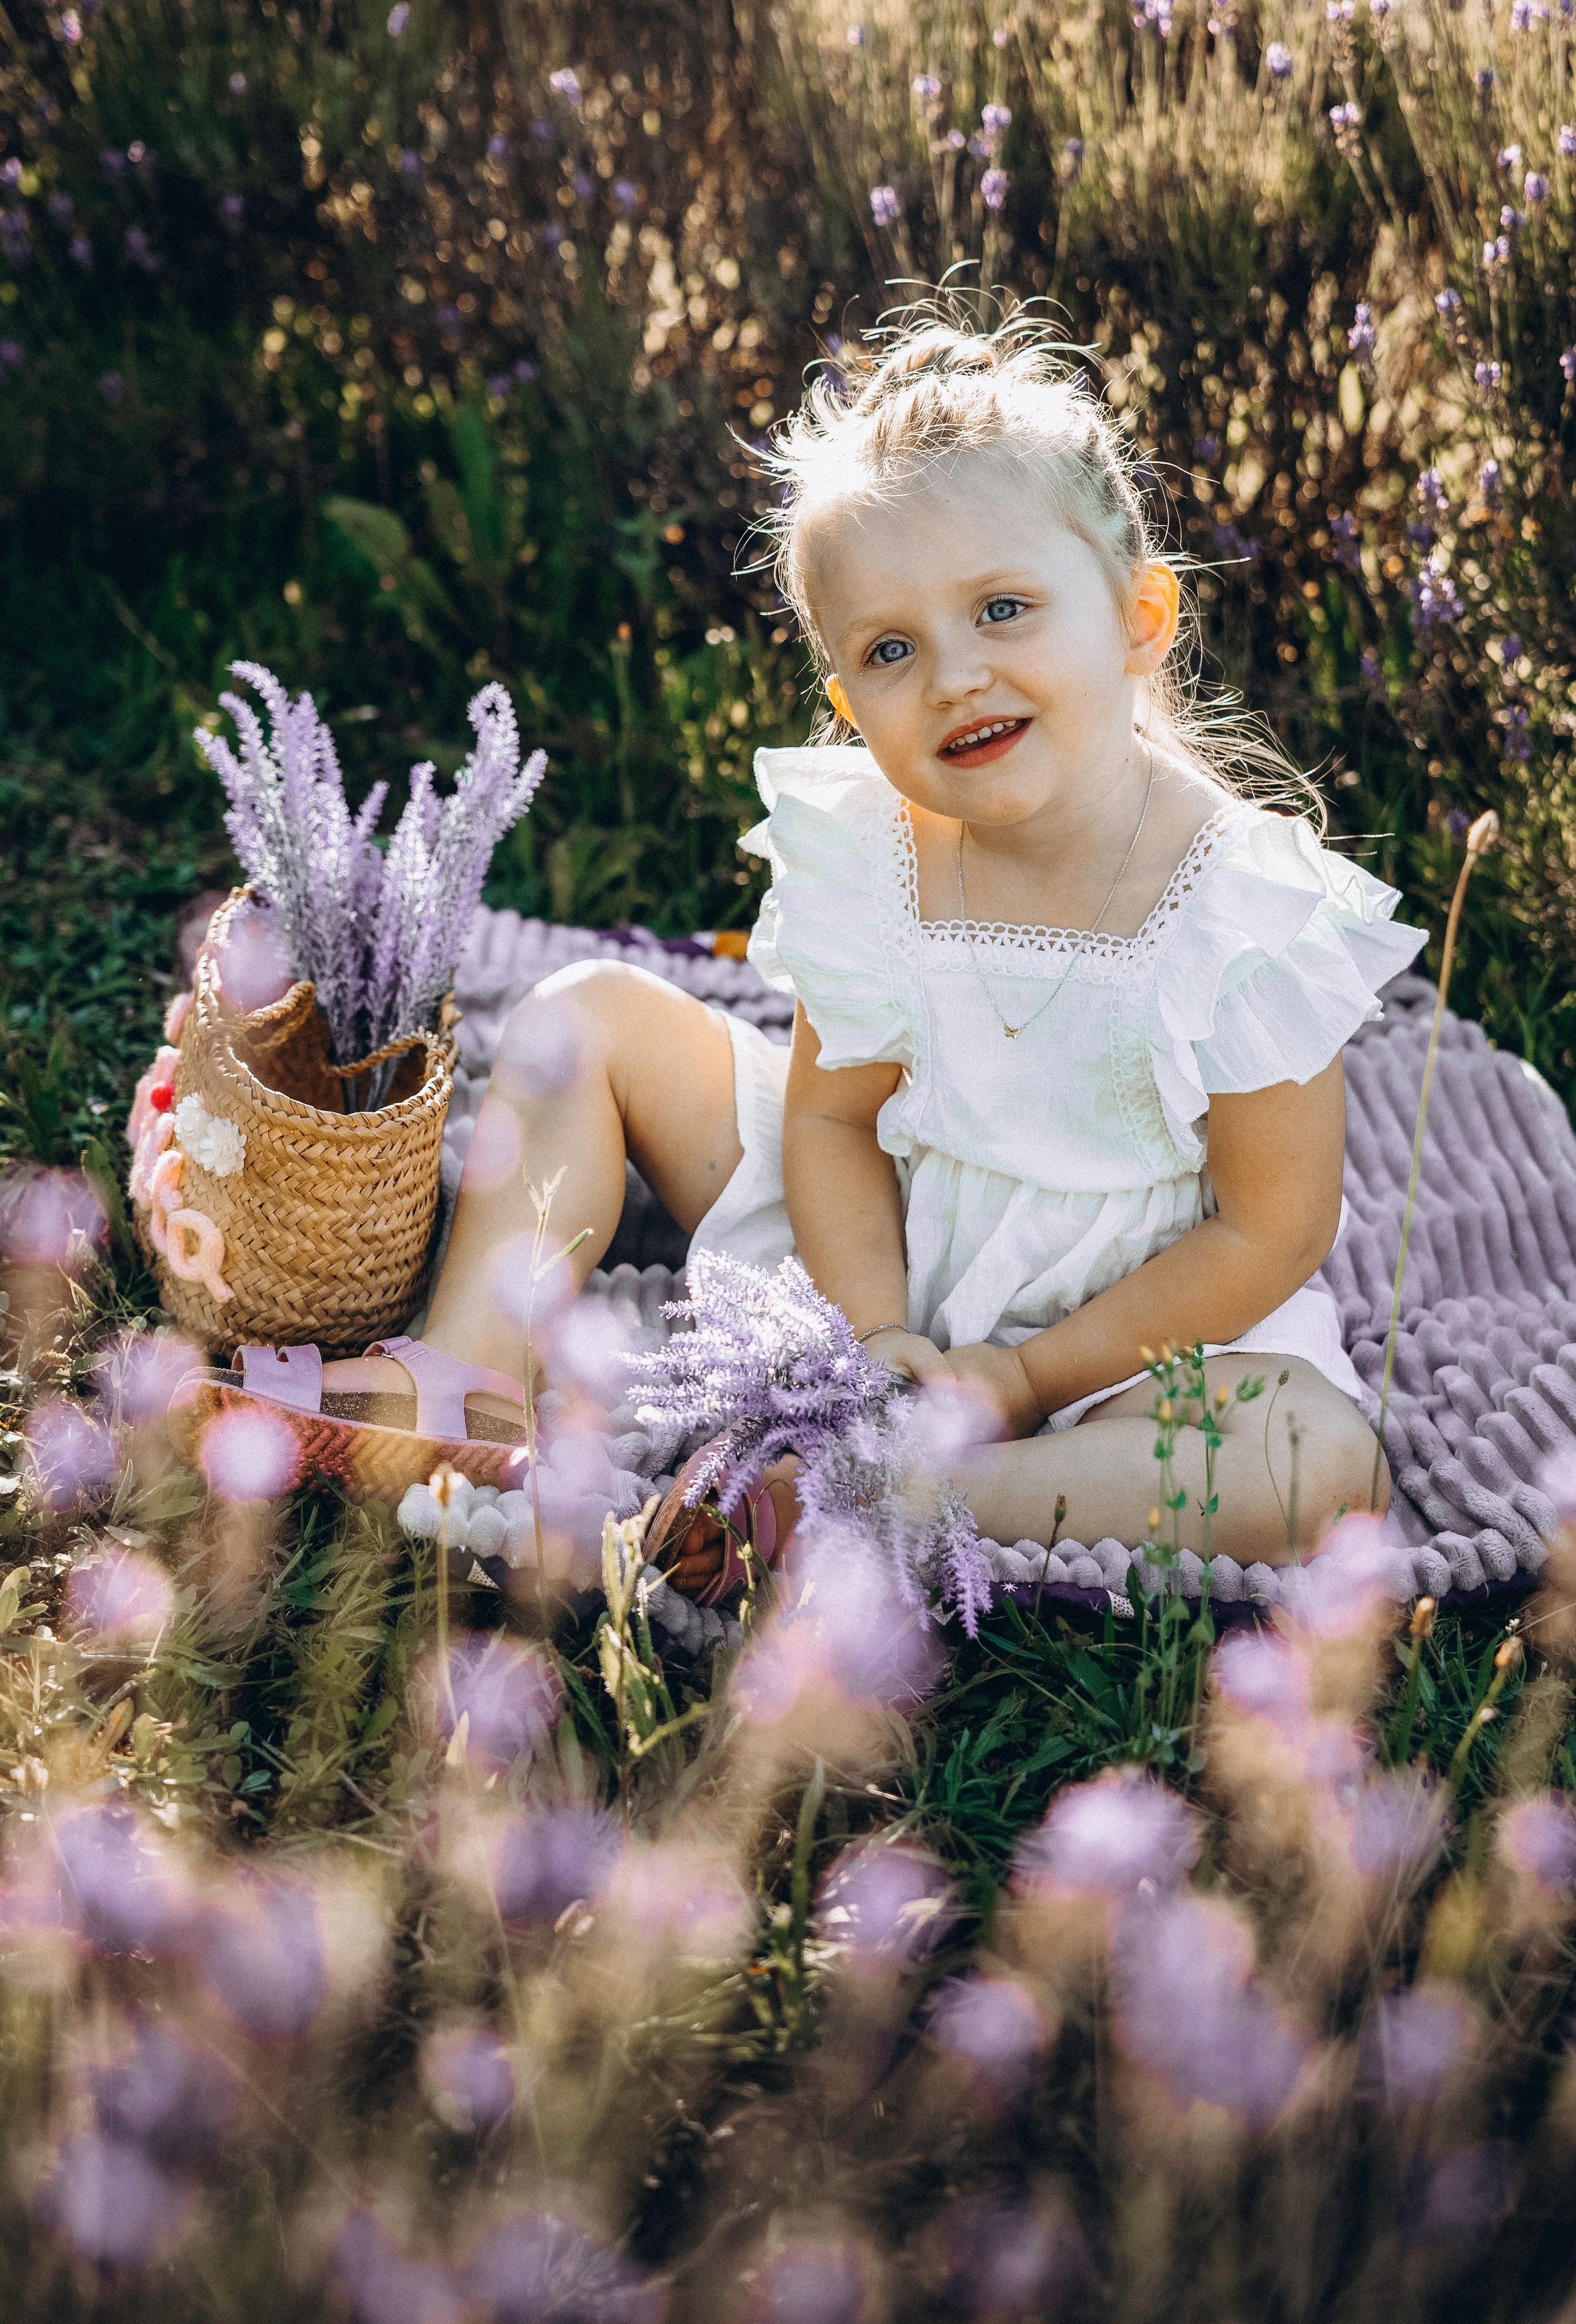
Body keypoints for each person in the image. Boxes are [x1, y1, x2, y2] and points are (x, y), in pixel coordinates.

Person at [176, 307, 1424, 1595]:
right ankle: (465, 1380)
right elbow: (828, 1122)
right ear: (844, 700)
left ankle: (878, 1499)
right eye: (888, 650)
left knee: (1314, 1463)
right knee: (585, 1010)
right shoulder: (874, 851)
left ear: (1136, 616)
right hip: (860, 1242)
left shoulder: (1242, 908)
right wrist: (876, 1329)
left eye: (1003, 609)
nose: (952, 676)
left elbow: (1267, 1230)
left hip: (1125, 1313)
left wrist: (1021, 1376)